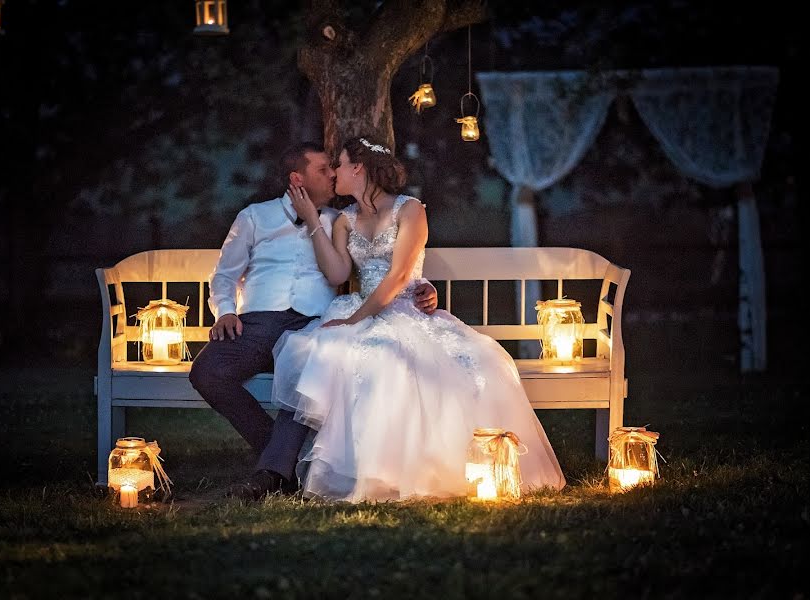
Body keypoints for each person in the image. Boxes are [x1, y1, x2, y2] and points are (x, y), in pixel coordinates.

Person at [271, 136, 566, 502]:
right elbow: (336, 274)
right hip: (362, 307)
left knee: (445, 362)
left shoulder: (410, 210)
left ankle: (423, 468)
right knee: (343, 354)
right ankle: (366, 471)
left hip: (404, 308)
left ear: (358, 169)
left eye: (340, 165)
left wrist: (354, 321)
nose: (334, 174)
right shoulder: (344, 221)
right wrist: (315, 221)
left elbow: (398, 276)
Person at [188, 142, 438, 500]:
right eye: (323, 169)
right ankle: (284, 457)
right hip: (255, 323)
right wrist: (225, 310)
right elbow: (225, 275)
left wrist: (422, 286)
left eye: (336, 167)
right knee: (206, 372)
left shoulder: (340, 220)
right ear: (297, 178)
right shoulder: (255, 217)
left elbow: (366, 270)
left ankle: (272, 473)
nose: (333, 173)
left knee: (310, 367)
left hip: (310, 323)